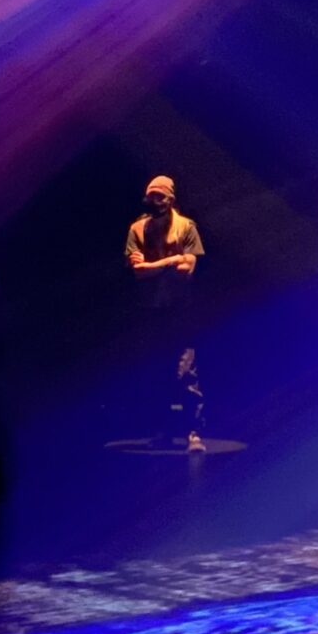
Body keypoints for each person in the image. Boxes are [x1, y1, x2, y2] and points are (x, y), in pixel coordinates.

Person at [124, 175, 204, 444]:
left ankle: (193, 430)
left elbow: (187, 269)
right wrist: (172, 259)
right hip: (151, 308)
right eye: (151, 195)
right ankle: (163, 430)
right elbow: (138, 271)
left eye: (160, 196)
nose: (154, 200)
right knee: (156, 371)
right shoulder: (137, 229)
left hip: (180, 309)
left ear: (171, 199)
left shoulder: (185, 227)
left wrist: (154, 266)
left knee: (185, 372)